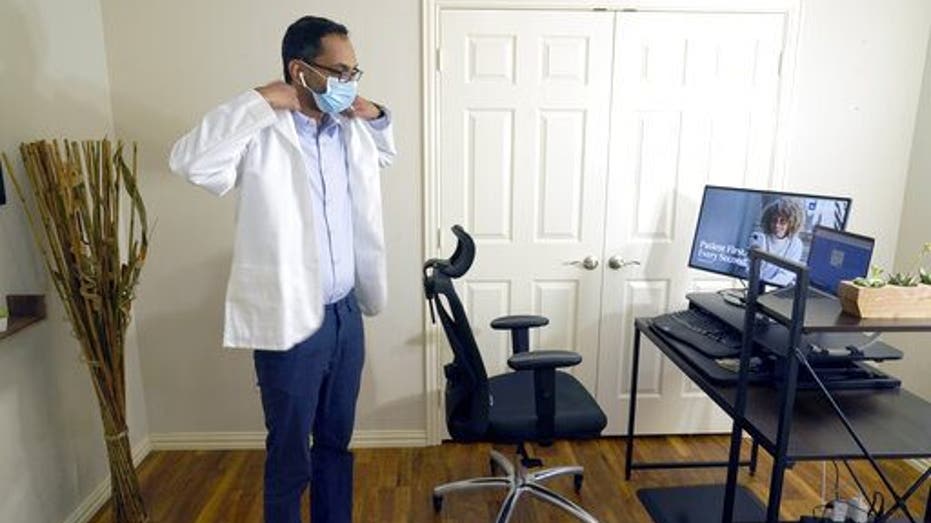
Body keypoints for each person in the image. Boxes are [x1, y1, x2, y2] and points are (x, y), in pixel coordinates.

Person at [168, 15, 396, 523]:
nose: (349, 83)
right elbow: (190, 162)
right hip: (292, 323)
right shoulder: (261, 132)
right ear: (300, 70)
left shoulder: (349, 131)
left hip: (345, 314)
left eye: (355, 71)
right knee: (290, 454)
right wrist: (258, 100)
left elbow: (387, 146)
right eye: (339, 72)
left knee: (336, 443)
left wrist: (374, 108)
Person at [749, 197, 805, 285]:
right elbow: (752, 271)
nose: (777, 225)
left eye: (782, 222)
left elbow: (787, 275)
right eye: (774, 220)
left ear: (791, 223)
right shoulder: (759, 238)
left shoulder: (796, 244)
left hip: (777, 289)